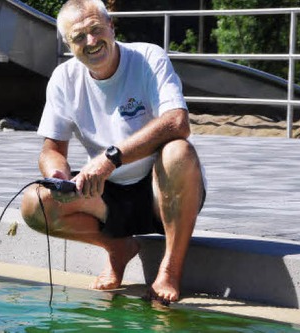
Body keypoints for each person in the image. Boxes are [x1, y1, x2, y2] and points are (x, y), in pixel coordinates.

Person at [20, 0, 205, 304]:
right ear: (69, 44)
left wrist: (110, 159)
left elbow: (177, 122)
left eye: (95, 30)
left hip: (163, 191)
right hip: (108, 194)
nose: (91, 42)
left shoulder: (148, 57)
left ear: (111, 27)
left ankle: (170, 269)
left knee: (178, 151)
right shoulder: (63, 79)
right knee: (35, 203)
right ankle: (118, 248)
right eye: (79, 37)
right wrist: (58, 175)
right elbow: (51, 150)